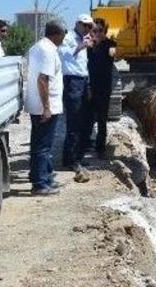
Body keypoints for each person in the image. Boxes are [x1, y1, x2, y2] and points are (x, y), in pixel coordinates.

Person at [25, 21, 65, 196]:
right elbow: (43, 80)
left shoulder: (39, 47)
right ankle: (40, 184)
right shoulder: (47, 50)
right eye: (63, 34)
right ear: (56, 33)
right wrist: (46, 107)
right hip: (44, 107)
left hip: (41, 105)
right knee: (42, 146)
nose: (64, 38)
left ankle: (44, 177)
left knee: (41, 145)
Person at [59, 14, 96, 182]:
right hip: (72, 81)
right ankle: (70, 160)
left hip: (82, 81)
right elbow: (65, 55)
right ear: (78, 24)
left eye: (90, 26)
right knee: (73, 122)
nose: (88, 29)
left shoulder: (84, 38)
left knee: (84, 121)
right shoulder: (68, 38)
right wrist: (82, 46)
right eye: (86, 26)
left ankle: (78, 156)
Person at [87, 18, 117, 159]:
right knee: (86, 118)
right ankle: (86, 144)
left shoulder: (110, 45)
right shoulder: (88, 46)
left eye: (100, 30)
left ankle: (101, 149)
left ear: (105, 31)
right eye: (94, 30)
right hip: (88, 87)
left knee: (102, 119)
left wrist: (114, 51)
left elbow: (115, 53)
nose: (97, 33)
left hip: (103, 88)